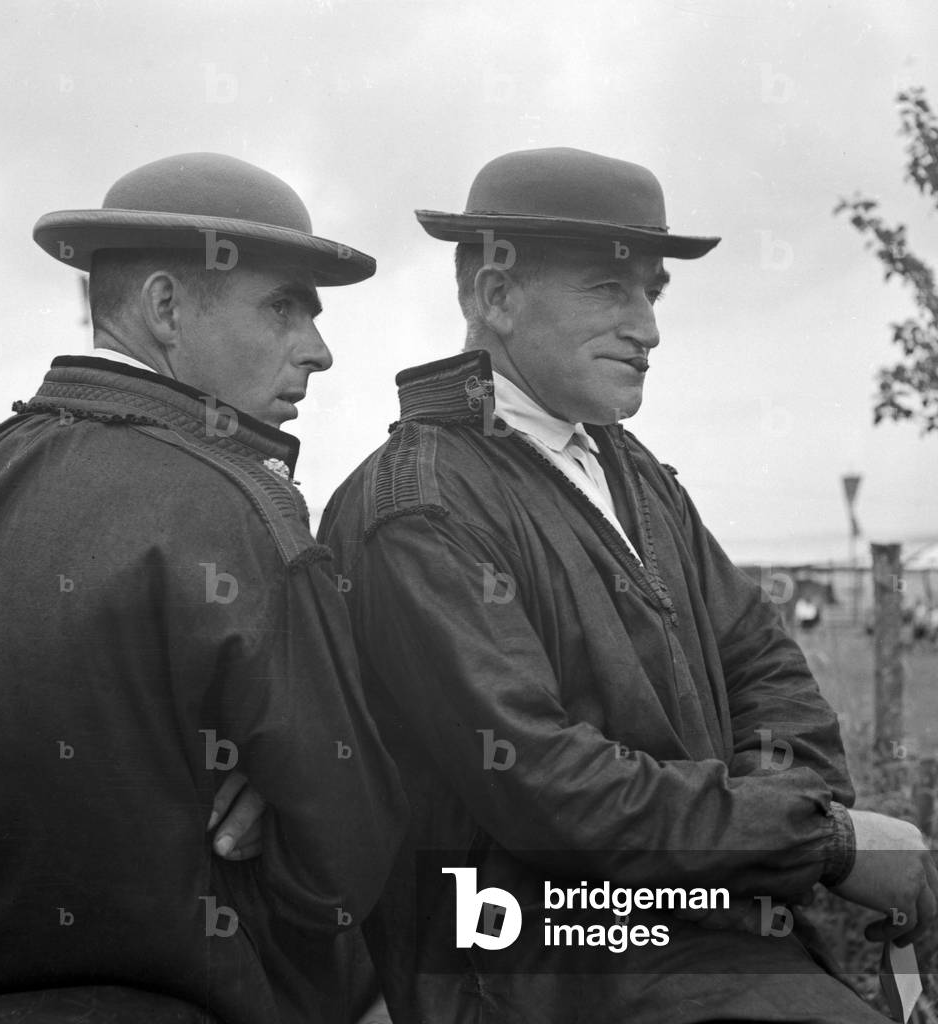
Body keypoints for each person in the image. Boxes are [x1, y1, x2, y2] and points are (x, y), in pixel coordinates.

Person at [318, 147, 938, 1023]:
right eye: (611, 291)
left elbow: (766, 667)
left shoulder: (631, 471)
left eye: (654, 292)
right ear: (495, 295)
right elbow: (547, 785)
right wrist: (820, 843)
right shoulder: (419, 506)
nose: (649, 327)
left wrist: (777, 823)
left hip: (713, 944)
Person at [0, 153, 406, 1023]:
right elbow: (348, 854)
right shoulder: (237, 508)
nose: (320, 351)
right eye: (285, 306)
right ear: (168, 308)